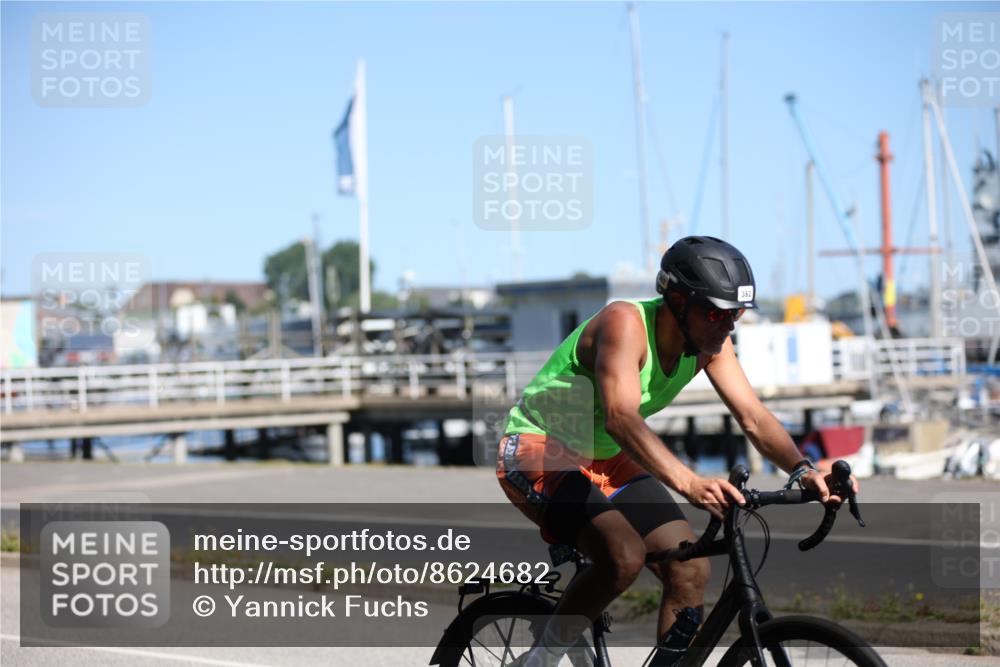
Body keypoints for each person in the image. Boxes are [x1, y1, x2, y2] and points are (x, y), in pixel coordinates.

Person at [496, 236, 859, 666]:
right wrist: (689, 482)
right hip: (539, 446)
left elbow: (753, 417)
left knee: (690, 567)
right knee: (622, 556)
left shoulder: (710, 345)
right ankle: (539, 660)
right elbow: (621, 417)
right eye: (716, 313)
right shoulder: (624, 324)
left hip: (606, 457)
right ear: (677, 301)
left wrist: (803, 470)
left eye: (736, 316)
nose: (728, 327)